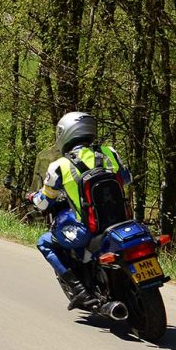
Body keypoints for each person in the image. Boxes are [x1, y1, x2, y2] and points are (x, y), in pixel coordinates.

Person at [29, 111, 131, 310]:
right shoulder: (109, 152)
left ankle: (80, 291)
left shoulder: (60, 165)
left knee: (45, 242)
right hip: (122, 222)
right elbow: (127, 179)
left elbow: (43, 202)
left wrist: (33, 196)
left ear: (66, 133)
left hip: (89, 228)